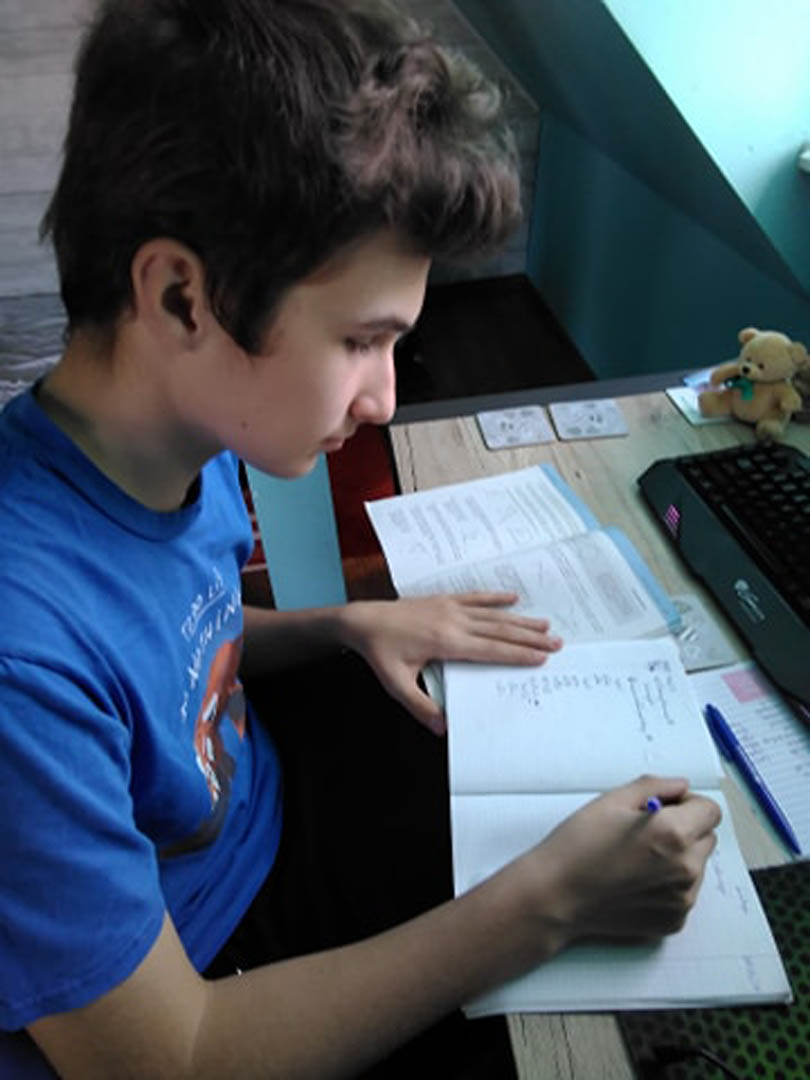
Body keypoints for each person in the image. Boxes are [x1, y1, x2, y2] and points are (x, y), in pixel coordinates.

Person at [0, 1, 722, 1076]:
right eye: (360, 340)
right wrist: (550, 904)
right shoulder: (17, 663)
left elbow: (164, 645)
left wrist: (344, 623)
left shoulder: (173, 441)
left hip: (263, 799)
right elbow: (173, 1057)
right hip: (211, 980)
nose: (384, 398)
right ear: (183, 297)